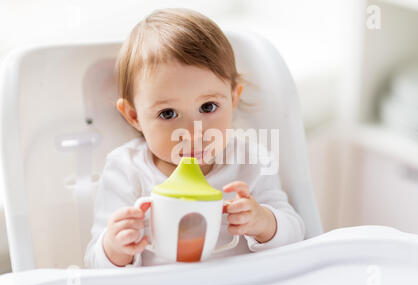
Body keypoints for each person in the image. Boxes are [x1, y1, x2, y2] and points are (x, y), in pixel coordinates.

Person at [84, 8, 305, 268]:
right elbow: (94, 265)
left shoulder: (250, 160)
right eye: (168, 113)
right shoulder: (128, 170)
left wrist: (264, 222)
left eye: (208, 107)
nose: (193, 132)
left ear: (233, 99)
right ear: (133, 116)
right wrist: (114, 248)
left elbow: (296, 234)